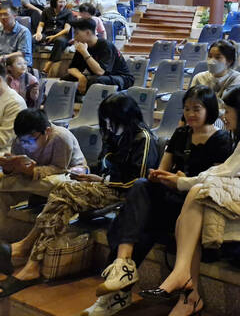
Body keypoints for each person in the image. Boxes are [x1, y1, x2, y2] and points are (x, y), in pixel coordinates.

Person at [141, 85, 240, 315]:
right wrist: (187, 182)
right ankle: (188, 291)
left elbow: (226, 171)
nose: (224, 115)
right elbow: (225, 172)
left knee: (197, 194)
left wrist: (183, 182)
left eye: (228, 111)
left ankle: (186, 287)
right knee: (197, 200)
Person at [84, 86, 232, 315]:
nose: (190, 113)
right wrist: (160, 176)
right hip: (172, 196)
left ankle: (118, 290)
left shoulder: (222, 139)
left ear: (209, 109)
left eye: (197, 108)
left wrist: (181, 180)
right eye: (186, 108)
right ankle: (121, 271)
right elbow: (162, 170)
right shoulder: (181, 134)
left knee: (135, 221)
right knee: (142, 190)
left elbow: (213, 182)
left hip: (196, 204)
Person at [0, 93, 160, 297]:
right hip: (105, 185)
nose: (108, 126)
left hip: (125, 194)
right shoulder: (115, 135)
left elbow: (137, 182)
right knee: (62, 193)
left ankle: (28, 253)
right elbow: (104, 165)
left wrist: (101, 180)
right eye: (106, 120)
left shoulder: (143, 139)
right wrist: (87, 174)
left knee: (63, 191)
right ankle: (31, 261)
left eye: (111, 120)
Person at [0, 109, 87, 243]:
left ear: (47, 131)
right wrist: (9, 168)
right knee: (3, 189)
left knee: (57, 184)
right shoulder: (20, 141)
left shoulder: (61, 137)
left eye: (30, 140)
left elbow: (60, 168)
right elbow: (18, 167)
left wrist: (33, 172)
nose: (25, 145)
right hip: (34, 180)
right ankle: (5, 236)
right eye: (22, 141)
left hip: (66, 176)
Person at [62, 18, 134, 93]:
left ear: (87, 33)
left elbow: (100, 71)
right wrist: (81, 77)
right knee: (66, 79)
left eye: (77, 33)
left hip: (122, 78)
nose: (75, 38)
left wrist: (85, 53)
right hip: (100, 77)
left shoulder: (106, 45)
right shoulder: (82, 46)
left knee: (96, 81)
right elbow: (72, 68)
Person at [33, 0, 72, 77]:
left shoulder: (68, 13)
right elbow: (41, 25)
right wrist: (38, 33)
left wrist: (54, 37)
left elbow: (66, 29)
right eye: (60, 2)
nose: (63, 4)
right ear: (54, 2)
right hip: (47, 33)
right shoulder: (46, 11)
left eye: (64, 2)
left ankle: (46, 68)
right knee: (33, 39)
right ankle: (29, 65)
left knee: (60, 41)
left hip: (61, 35)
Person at [0, 2, 33, 68]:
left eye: (6, 14)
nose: (2, 17)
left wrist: (4, 57)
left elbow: (22, 53)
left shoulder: (24, 31)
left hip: (18, 65)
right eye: (0, 15)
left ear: (14, 15)